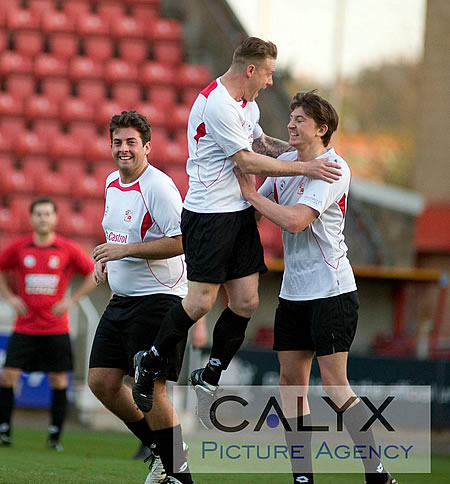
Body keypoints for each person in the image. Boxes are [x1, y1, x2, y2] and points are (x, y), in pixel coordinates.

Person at [132, 37, 342, 428]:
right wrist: (306, 168)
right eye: (267, 74)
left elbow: (260, 142)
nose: (268, 82)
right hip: (209, 215)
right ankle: (151, 360)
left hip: (239, 212)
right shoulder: (217, 104)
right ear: (250, 70)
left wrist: (312, 155)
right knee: (200, 303)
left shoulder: (247, 104)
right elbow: (245, 159)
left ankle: (210, 373)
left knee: (245, 302)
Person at [235, 90, 397, 484]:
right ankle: (303, 477)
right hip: (294, 293)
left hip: (332, 291)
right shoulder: (290, 163)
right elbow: (259, 211)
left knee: (334, 386)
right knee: (291, 385)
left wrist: (250, 191)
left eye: (299, 119)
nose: (290, 124)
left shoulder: (333, 168)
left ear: (322, 129)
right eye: (290, 117)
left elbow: (293, 221)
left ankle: (377, 473)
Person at [89, 110, 194, 484]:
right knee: (101, 381)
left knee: (151, 388)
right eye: (117, 142)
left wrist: (125, 252)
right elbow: (115, 238)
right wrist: (105, 263)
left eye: (131, 142)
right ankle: (162, 452)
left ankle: (179, 473)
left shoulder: (159, 186)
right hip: (123, 298)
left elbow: (183, 240)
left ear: (147, 146)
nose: (124, 149)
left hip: (159, 297)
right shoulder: (110, 183)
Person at [0, 197, 95, 451]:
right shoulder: (20, 247)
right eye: (38, 214)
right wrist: (10, 297)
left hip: (56, 327)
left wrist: (71, 300)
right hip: (25, 326)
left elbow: (92, 273)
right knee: (8, 375)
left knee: (58, 380)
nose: (43, 218)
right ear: (31, 219)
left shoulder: (66, 248)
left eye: (47, 214)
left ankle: (54, 437)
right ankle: (5, 430)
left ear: (55, 218)